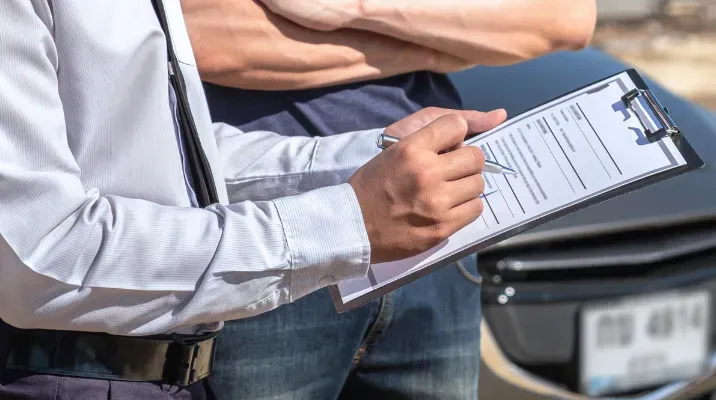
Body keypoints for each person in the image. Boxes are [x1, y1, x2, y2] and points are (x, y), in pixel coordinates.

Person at [0, 0, 507, 398]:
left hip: (175, 374)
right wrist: (349, 222)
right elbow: (41, 259)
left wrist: (370, 160)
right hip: (64, 374)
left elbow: (175, 154)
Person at [182, 1, 597, 399]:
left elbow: (563, 18)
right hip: (279, 230)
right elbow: (200, 36)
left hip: (438, 230)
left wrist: (350, 10)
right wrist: (442, 43)